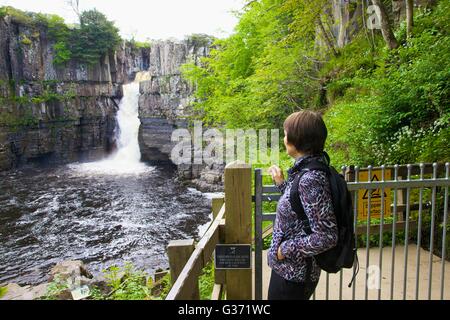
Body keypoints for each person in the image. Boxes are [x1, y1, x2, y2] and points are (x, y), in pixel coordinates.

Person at [267, 110, 338, 300]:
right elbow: (301, 209)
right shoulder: (307, 170)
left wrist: (285, 249)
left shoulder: (310, 178)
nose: (283, 138)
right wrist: (282, 184)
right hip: (290, 272)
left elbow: (327, 236)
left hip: (293, 276)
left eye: (285, 133)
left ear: (296, 139)